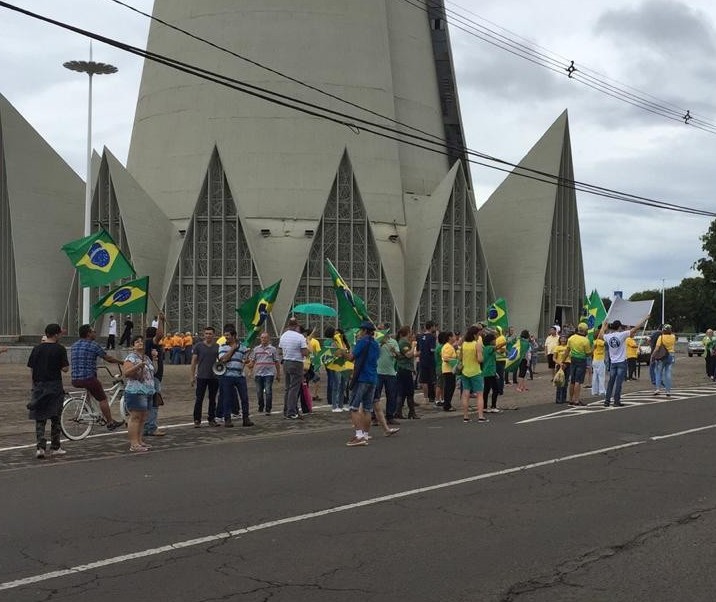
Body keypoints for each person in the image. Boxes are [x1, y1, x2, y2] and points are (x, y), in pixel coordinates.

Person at [70, 324, 124, 429]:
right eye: (93, 331)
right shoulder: (93, 345)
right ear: (88, 333)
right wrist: (121, 362)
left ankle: (91, 410)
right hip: (88, 378)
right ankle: (110, 422)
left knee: (91, 391)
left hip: (75, 379)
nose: (95, 333)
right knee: (102, 398)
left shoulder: (74, 345)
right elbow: (107, 358)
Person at [27, 323, 69, 458]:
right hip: (54, 385)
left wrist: (33, 384)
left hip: (39, 385)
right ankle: (55, 446)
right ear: (56, 334)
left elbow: (32, 367)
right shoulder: (60, 349)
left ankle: (40, 447)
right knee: (55, 416)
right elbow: (65, 368)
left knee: (40, 417)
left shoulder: (37, 349)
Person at [599, 315, 649, 407]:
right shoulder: (622, 335)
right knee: (618, 383)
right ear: (619, 327)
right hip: (621, 361)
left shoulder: (608, 336)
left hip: (613, 362)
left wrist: (603, 326)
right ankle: (616, 401)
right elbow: (635, 328)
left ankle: (607, 401)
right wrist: (645, 319)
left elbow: (601, 335)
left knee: (611, 382)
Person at [346, 321, 381, 446]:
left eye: (361, 330)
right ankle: (365, 435)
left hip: (361, 377)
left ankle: (359, 435)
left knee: (354, 407)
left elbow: (351, 357)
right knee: (367, 408)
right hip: (373, 377)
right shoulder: (376, 344)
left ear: (365, 331)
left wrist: (342, 353)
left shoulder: (362, 342)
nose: (359, 332)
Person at [123, 335, 156, 452]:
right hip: (136, 390)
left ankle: (140, 440)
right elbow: (126, 373)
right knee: (135, 417)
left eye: (141, 342)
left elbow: (152, 372)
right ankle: (134, 443)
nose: (140, 343)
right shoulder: (131, 358)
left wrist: (154, 360)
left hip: (148, 390)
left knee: (143, 417)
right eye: (137, 342)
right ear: (133, 346)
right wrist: (138, 366)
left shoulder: (146, 357)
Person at [217, 326, 253, 427]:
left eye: (228, 335)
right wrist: (233, 348)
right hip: (227, 375)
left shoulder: (242, 347)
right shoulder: (222, 346)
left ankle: (246, 418)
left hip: (240, 376)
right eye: (225, 335)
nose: (226, 337)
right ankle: (227, 419)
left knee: (244, 398)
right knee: (227, 398)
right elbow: (223, 359)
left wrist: (248, 361)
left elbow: (247, 360)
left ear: (234, 336)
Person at [278, 317, 308, 419]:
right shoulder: (300, 337)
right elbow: (304, 352)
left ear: (288, 325)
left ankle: (286, 410)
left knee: (287, 388)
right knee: (294, 388)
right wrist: (308, 351)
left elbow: (280, 351)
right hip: (296, 362)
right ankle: (291, 412)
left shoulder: (283, 336)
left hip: (286, 362)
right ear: (296, 325)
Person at [190, 326, 220, 426]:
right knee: (199, 398)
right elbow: (194, 361)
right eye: (206, 333)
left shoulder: (217, 347)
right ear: (204, 334)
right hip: (202, 376)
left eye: (210, 334)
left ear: (214, 335)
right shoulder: (198, 346)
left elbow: (221, 361)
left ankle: (211, 418)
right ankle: (197, 419)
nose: (208, 335)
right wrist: (192, 376)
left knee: (212, 399)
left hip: (214, 376)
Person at [143, 314, 166, 438]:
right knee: (154, 402)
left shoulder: (147, 344)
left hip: (152, 376)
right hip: (153, 377)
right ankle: (151, 426)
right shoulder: (150, 343)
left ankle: (146, 426)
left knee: (148, 402)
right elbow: (160, 335)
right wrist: (161, 321)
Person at [248, 331, 281, 415]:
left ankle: (268, 409)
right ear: (260, 339)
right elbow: (252, 361)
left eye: (265, 337)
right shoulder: (256, 349)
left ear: (268, 339)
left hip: (269, 374)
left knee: (268, 391)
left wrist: (278, 374)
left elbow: (276, 362)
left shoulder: (273, 349)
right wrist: (250, 370)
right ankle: (261, 406)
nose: (263, 339)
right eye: (262, 337)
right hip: (258, 373)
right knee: (259, 392)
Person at [459, 325, 487, 423]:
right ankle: (480, 416)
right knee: (480, 394)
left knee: (465, 393)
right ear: (475, 335)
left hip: (465, 371)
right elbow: (480, 359)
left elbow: (460, 358)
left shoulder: (464, 344)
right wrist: (482, 357)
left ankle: (465, 416)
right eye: (478, 334)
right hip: (475, 371)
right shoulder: (476, 344)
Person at [374, 329, 401, 423]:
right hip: (378, 372)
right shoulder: (376, 341)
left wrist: (394, 351)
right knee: (375, 395)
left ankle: (390, 416)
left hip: (390, 372)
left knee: (391, 395)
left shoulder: (393, 342)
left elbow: (398, 356)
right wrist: (380, 344)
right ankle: (374, 417)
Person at [395, 325, 419, 419]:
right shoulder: (403, 343)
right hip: (404, 369)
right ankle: (409, 412)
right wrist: (413, 346)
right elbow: (408, 355)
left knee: (403, 391)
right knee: (408, 391)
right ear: (408, 333)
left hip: (405, 368)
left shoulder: (402, 342)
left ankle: (400, 411)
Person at [566, 323, 592, 405]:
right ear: (585, 331)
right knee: (578, 381)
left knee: (572, 381)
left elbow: (567, 350)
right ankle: (576, 400)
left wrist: (562, 361)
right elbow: (588, 354)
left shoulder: (571, 338)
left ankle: (570, 399)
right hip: (581, 360)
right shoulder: (585, 340)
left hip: (573, 359)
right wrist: (593, 349)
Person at [652, 324, 677, 396]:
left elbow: (657, 348)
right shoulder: (673, 337)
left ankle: (658, 389)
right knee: (668, 373)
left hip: (662, 356)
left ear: (663, 330)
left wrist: (652, 356)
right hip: (671, 355)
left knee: (658, 372)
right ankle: (668, 390)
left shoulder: (661, 337)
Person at [417, 320, 437, 404]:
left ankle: (425, 398)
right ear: (432, 327)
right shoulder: (432, 337)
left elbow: (418, 349)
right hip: (430, 361)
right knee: (433, 380)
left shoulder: (420, 336)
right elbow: (432, 349)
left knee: (424, 380)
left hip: (422, 360)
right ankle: (434, 397)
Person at [439, 331, 458, 412]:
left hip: (450, 370)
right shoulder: (447, 347)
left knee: (451, 387)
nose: (455, 338)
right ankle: (447, 405)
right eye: (453, 336)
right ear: (449, 337)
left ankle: (448, 404)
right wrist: (454, 361)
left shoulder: (450, 346)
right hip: (448, 370)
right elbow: (445, 358)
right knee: (449, 388)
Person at [553, 334, 570, 404]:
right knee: (559, 382)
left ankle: (564, 398)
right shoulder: (557, 347)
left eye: (564, 338)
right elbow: (554, 358)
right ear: (559, 340)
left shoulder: (568, 347)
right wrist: (560, 363)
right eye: (561, 338)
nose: (563, 340)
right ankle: (558, 398)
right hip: (560, 365)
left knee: (565, 382)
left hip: (568, 364)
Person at [591, 325, 607, 396]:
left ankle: (594, 391)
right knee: (601, 376)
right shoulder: (599, 341)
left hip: (595, 360)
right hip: (600, 360)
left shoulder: (594, 341)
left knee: (595, 376)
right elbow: (606, 344)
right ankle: (602, 391)